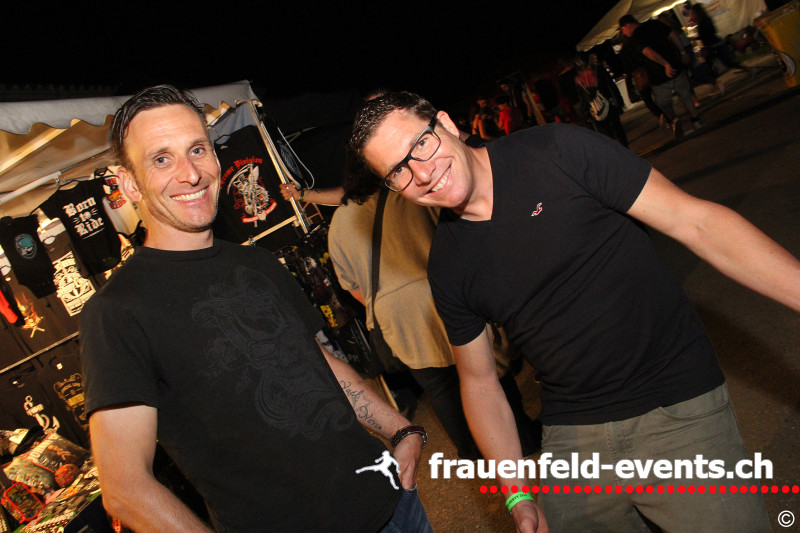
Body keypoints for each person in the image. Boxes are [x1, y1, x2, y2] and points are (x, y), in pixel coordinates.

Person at [347, 91, 800, 533]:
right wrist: (517, 494)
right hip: (572, 435)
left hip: (673, 403)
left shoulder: (555, 152)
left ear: (446, 123)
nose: (422, 173)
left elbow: (697, 223)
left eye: (421, 144)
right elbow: (480, 382)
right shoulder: (448, 266)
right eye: (398, 171)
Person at [80, 85, 431, 532]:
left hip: (394, 503)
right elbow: (125, 488)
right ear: (129, 183)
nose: (190, 174)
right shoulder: (116, 312)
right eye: (161, 159)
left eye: (197, 150)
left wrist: (400, 429)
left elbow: (317, 364)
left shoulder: (257, 263)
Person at [327, 171, 542, 461]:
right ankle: (523, 439)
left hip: (396, 317)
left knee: (439, 389)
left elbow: (352, 287)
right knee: (485, 371)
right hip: (441, 297)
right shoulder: (412, 196)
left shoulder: (339, 222)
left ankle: (472, 452)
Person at [619, 14, 703, 137]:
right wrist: (683, 52)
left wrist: (665, 65)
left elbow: (648, 52)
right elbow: (673, 35)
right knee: (685, 95)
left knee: (664, 103)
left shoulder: (635, 37)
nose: (624, 33)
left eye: (623, 29)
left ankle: (673, 120)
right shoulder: (654, 23)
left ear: (627, 25)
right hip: (676, 65)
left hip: (658, 75)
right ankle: (696, 120)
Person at [574, 52, 628, 146]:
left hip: (595, 108)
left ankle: (615, 151)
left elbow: (582, 98)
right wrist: (619, 100)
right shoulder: (598, 69)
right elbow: (611, 85)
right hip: (608, 102)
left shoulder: (579, 79)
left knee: (606, 133)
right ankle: (625, 148)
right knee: (618, 128)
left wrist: (586, 113)